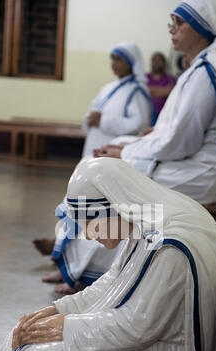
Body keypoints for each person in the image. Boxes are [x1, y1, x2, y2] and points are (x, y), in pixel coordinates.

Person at [0, 157, 216, 351]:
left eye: (91, 223)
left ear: (115, 204)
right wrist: (57, 309)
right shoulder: (146, 222)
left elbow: (136, 328)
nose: (89, 236)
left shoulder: (169, 246)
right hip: (150, 345)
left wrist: (61, 327)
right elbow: (112, 282)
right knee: (17, 341)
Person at [94, 0, 216, 209]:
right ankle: (78, 239)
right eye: (171, 23)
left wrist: (127, 152)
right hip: (199, 162)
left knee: (107, 172)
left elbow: (182, 141)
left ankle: (84, 240)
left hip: (208, 172)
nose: (172, 30)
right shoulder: (204, 66)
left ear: (201, 28)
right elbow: (181, 131)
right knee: (116, 153)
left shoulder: (207, 71)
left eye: (179, 23)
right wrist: (142, 142)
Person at [33, 41, 153, 292]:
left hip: (112, 162)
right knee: (74, 208)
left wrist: (105, 120)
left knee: (93, 216)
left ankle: (77, 271)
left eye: (118, 60)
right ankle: (65, 263)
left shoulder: (136, 93)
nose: (114, 64)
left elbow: (138, 124)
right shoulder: (109, 88)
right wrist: (92, 118)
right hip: (93, 154)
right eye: (112, 59)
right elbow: (91, 115)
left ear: (131, 63)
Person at [146, 52, 176, 120]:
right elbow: (143, 91)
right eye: (154, 60)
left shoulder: (170, 79)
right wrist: (162, 90)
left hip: (164, 115)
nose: (157, 62)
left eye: (159, 60)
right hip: (147, 115)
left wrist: (151, 90)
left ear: (164, 63)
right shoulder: (145, 78)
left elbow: (169, 91)